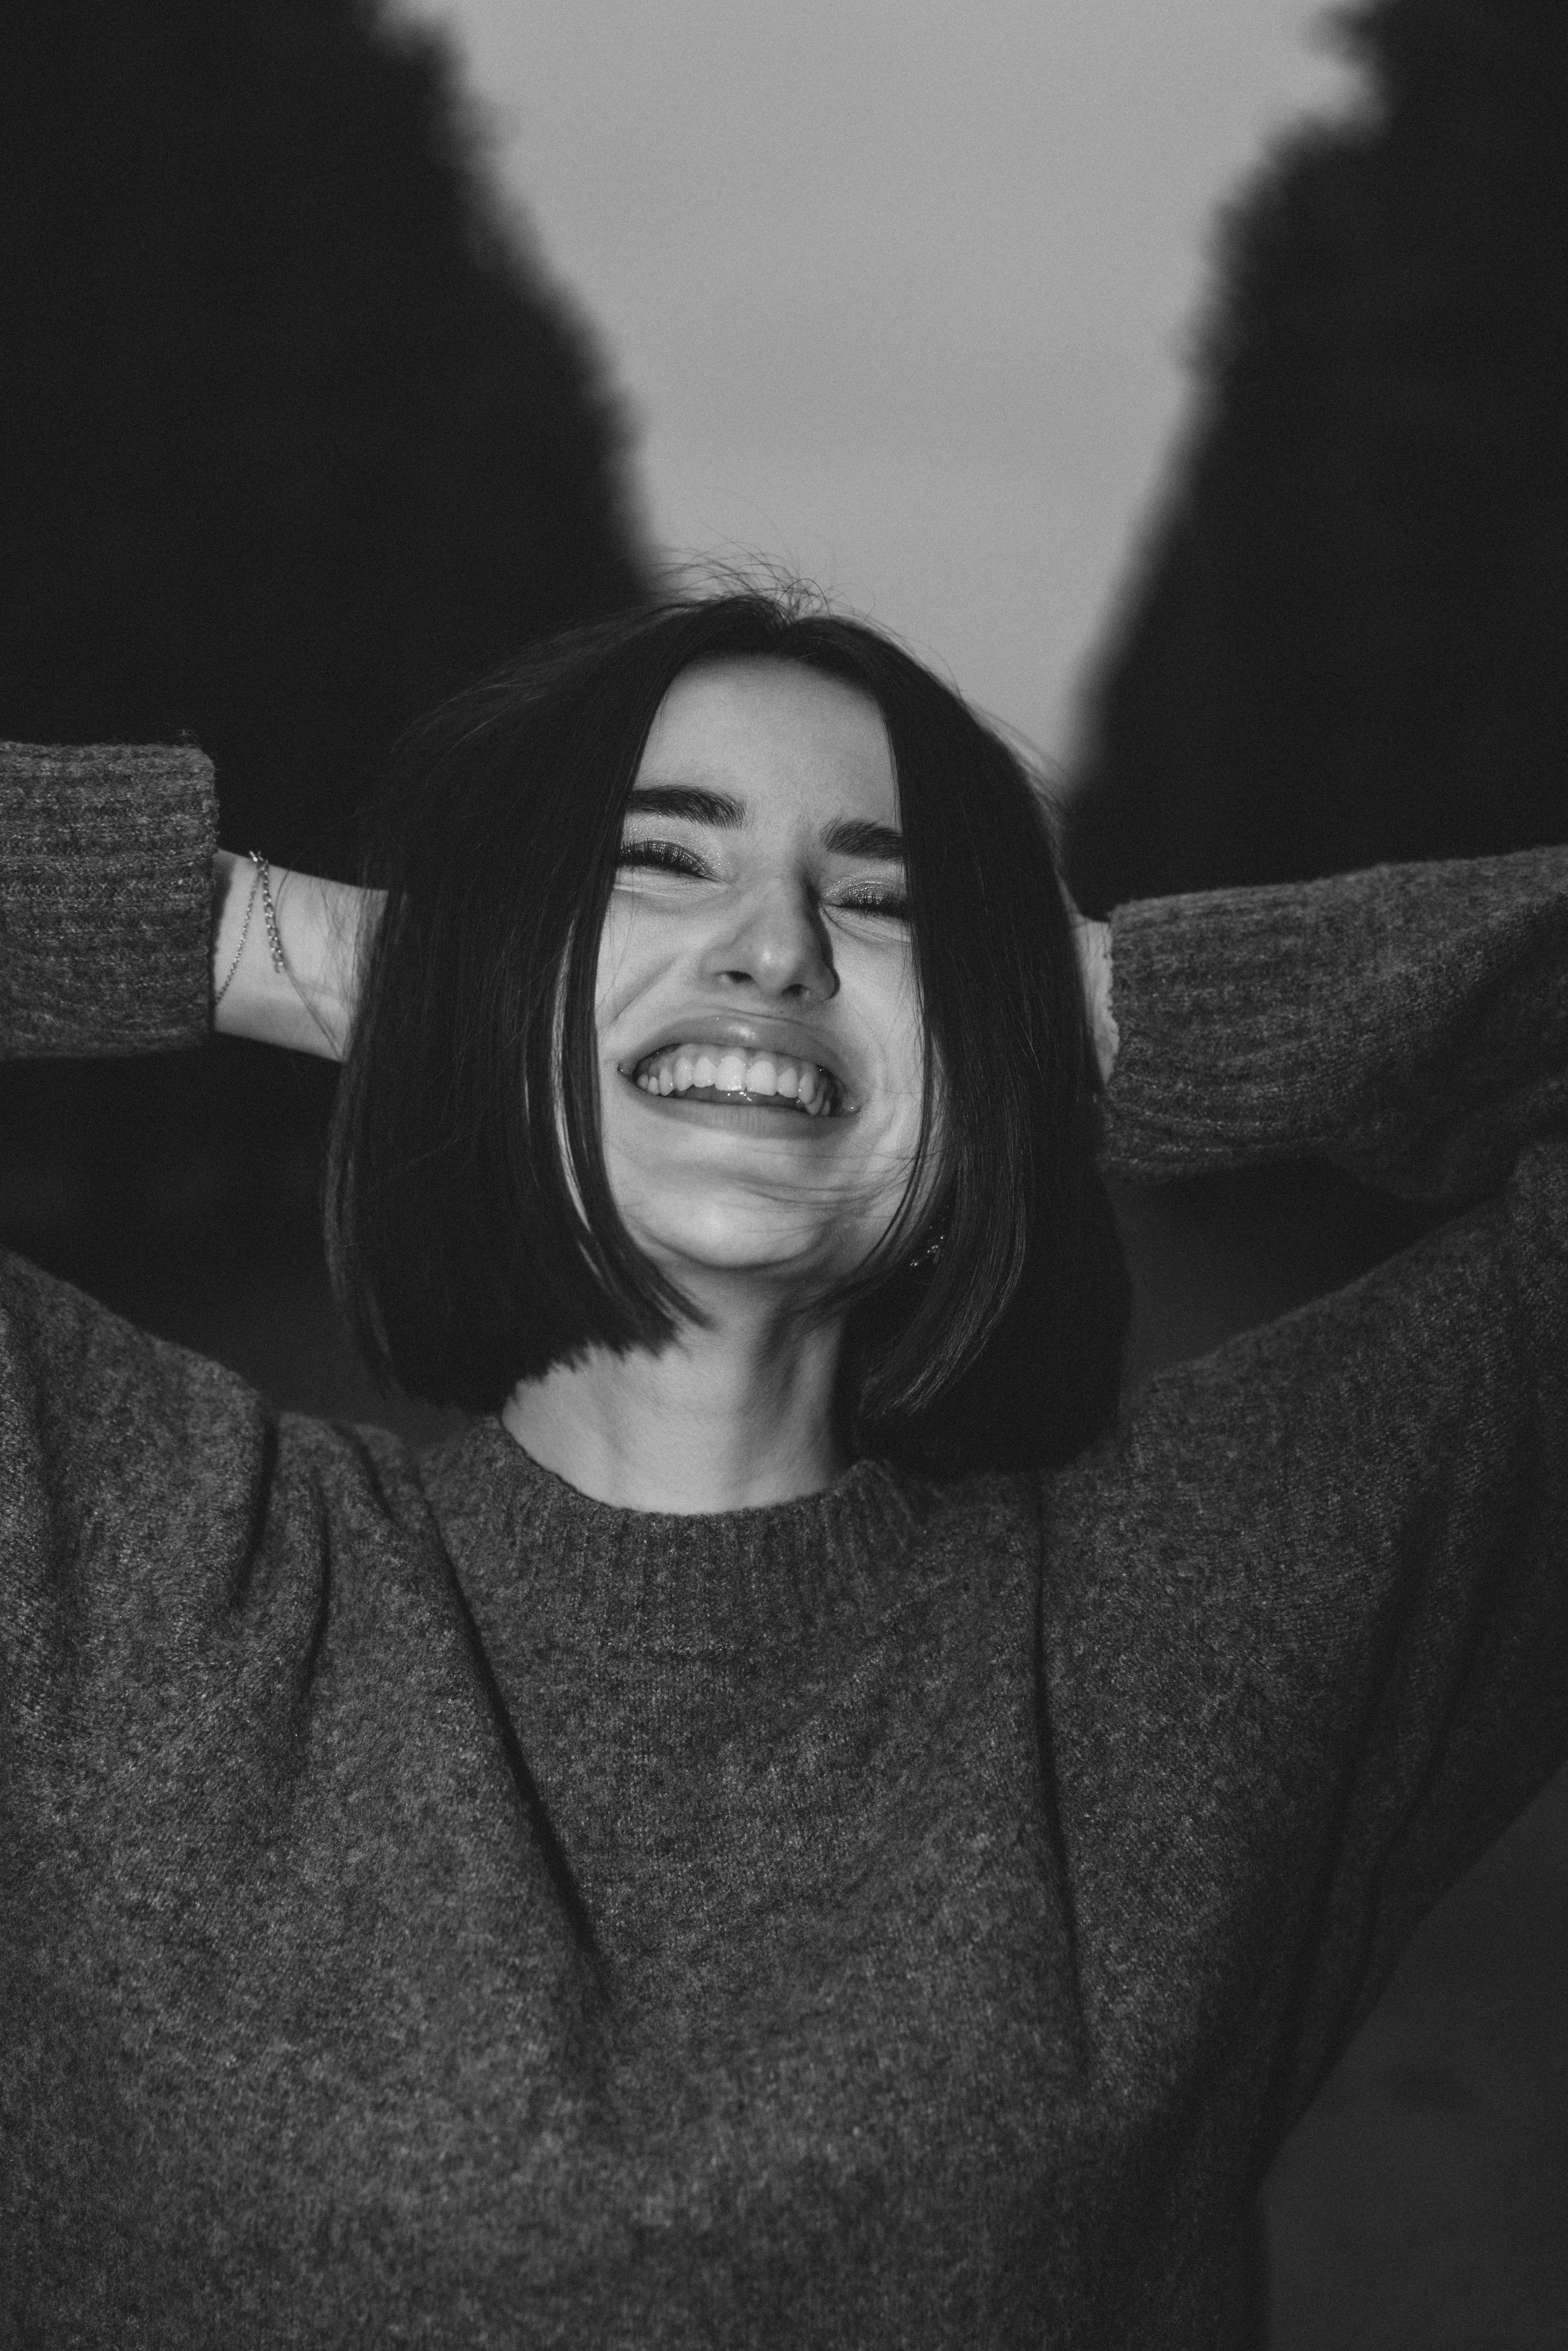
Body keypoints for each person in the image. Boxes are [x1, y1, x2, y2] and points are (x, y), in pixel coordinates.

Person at [1, 587, 1564, 2350]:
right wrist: (326, 955)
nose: (778, 952)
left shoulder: (1207, 1611)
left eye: (889, 903)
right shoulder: (120, 1551)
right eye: (657, 865)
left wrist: (1089, 1017)